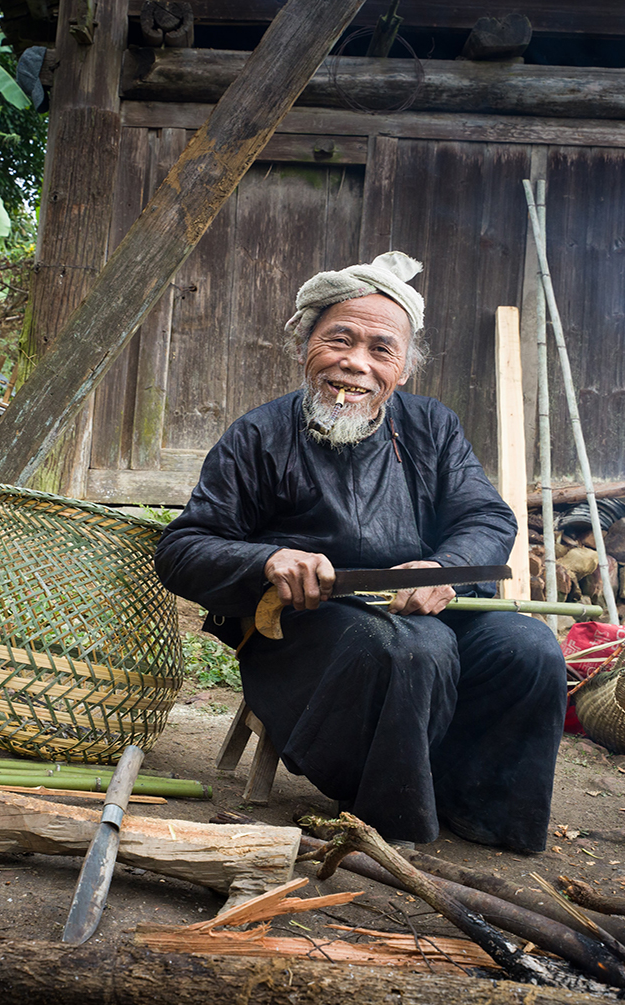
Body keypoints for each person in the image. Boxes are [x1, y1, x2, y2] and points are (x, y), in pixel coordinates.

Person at [155, 252, 566, 852]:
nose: (355, 364)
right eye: (339, 341)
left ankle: (480, 807)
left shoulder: (433, 428)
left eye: (381, 349)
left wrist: (442, 569)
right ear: (305, 346)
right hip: (309, 627)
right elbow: (184, 547)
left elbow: (486, 517)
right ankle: (388, 820)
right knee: (413, 649)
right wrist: (268, 560)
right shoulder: (259, 436)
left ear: (404, 370)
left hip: (424, 607)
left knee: (530, 647)